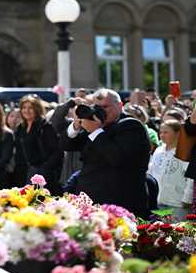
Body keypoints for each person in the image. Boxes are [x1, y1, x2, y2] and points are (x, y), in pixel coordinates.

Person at [61, 88, 150, 218]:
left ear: (119, 106)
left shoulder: (131, 126)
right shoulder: (97, 126)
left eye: (105, 107)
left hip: (120, 202)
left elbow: (116, 157)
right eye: (97, 107)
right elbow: (67, 145)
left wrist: (96, 131)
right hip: (91, 201)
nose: (101, 111)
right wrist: (76, 125)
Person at [13, 95, 63, 192]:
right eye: (24, 108)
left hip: (42, 173)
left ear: (37, 109)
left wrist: (44, 168)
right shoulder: (20, 127)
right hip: (24, 171)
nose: (26, 110)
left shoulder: (45, 126)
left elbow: (57, 152)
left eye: (30, 108)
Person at [148, 120, 192, 221]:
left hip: (177, 204)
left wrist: (187, 198)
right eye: (161, 132)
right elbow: (151, 173)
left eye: (166, 132)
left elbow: (191, 178)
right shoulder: (159, 150)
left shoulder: (184, 151)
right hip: (158, 202)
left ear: (178, 133)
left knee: (177, 234)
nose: (162, 135)